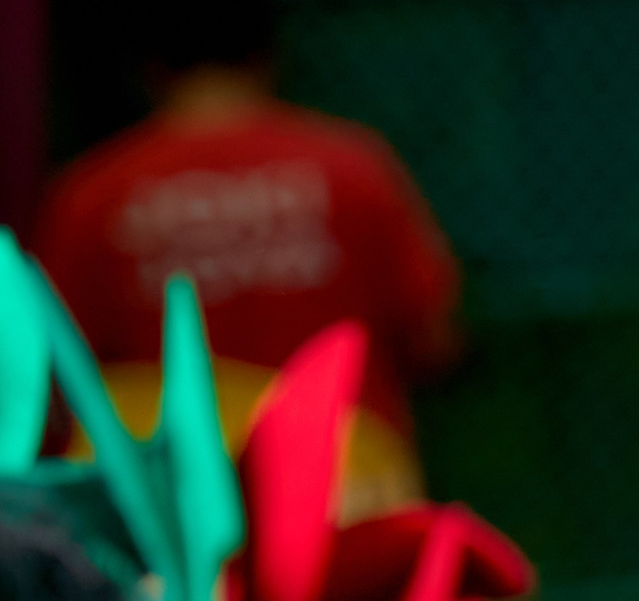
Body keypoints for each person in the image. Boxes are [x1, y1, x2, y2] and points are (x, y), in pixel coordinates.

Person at [33, 0, 458, 515]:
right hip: (351, 493)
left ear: (149, 64)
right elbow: (433, 339)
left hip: (173, 512)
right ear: (268, 52)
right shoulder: (354, 171)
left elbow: (53, 378)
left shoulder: (92, 198)